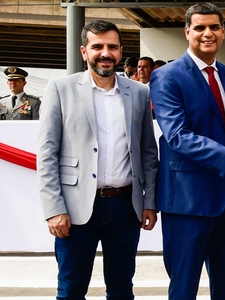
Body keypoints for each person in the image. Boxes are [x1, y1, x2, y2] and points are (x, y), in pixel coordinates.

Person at [150, 3, 225, 299]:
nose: (207, 33)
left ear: (223, 32)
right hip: (187, 202)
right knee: (184, 288)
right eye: (200, 27)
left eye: (214, 27)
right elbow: (177, 135)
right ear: (187, 31)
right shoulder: (167, 77)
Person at [36, 19, 158, 299]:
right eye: (97, 46)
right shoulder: (60, 89)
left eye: (112, 47)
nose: (105, 53)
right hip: (76, 210)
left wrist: (149, 202)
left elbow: (148, 153)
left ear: (120, 50)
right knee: (71, 289)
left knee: (121, 289)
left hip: (126, 208)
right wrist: (54, 209)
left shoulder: (139, 93)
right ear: (83, 51)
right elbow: (46, 154)